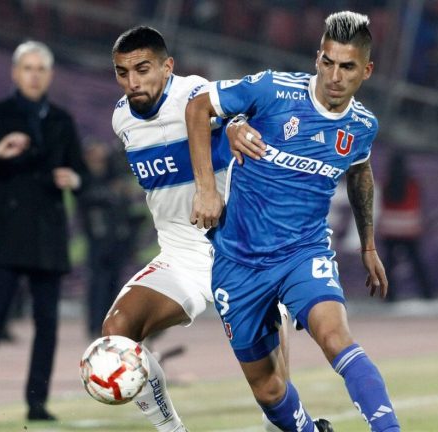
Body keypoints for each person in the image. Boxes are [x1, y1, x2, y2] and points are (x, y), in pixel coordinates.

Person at [187, 11, 400, 432]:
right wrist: (207, 188)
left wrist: (369, 246)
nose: (335, 75)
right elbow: (197, 106)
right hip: (238, 259)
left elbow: (360, 173)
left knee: (336, 338)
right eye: (328, 62)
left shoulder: (362, 126)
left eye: (347, 67)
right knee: (268, 390)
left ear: (367, 70)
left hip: (302, 252)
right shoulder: (272, 90)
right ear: (317, 57)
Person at [103, 26, 291, 432]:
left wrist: (238, 134)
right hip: (181, 258)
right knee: (116, 334)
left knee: (273, 393)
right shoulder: (122, 118)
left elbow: (244, 122)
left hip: (241, 255)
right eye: (122, 72)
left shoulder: (195, 94)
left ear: (168, 66)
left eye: (143, 69)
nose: (133, 82)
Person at [0, 40, 87, 425]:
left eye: (41, 69)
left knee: (47, 324)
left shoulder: (61, 120)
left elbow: (83, 175)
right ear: (15, 73)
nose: (34, 75)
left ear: (49, 75)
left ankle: (36, 404)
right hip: (5, 233)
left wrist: (74, 177)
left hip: (47, 234)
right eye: (27, 68)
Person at [77, 138, 145, 339]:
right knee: (98, 283)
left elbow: (126, 207)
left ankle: (108, 323)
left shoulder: (113, 175)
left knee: (114, 283)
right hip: (97, 239)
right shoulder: (85, 179)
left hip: (117, 239)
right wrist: (113, 193)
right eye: (92, 155)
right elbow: (88, 199)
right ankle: (94, 325)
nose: (97, 159)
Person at [379, 152, 434, 303]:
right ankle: (427, 294)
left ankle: (388, 295)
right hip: (408, 228)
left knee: (389, 264)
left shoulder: (387, 182)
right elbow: (416, 203)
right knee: (416, 264)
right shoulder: (411, 183)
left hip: (390, 227)